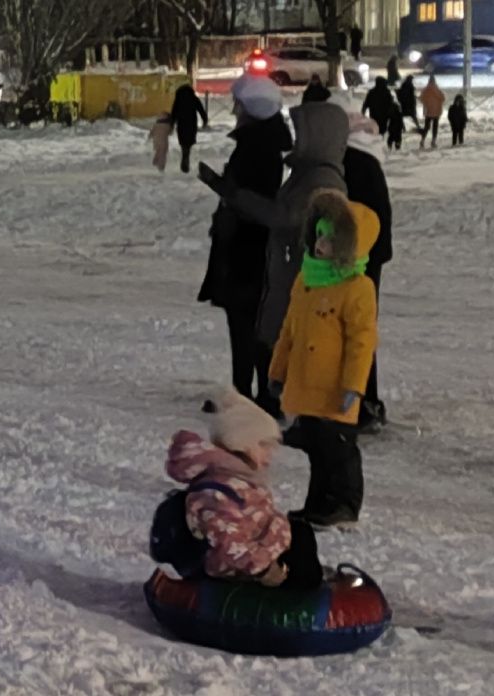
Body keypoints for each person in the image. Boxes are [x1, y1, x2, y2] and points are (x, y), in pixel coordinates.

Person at [199, 102, 349, 356]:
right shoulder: (308, 173)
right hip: (289, 270)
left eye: (303, 132)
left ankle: (266, 393)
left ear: (320, 135)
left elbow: (284, 216)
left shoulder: (321, 179)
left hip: (302, 273)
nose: (297, 138)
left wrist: (234, 194)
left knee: (284, 343)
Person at [269, 190, 379, 529]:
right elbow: (290, 330)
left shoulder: (357, 288)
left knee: (339, 451)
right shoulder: (307, 279)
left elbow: (362, 342)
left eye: (331, 241)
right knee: (318, 450)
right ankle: (317, 504)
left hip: (336, 389)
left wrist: (354, 386)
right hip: (308, 384)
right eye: (319, 236)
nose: (320, 245)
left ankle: (345, 506)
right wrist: (278, 370)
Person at [159, 388, 324, 589]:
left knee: (300, 532)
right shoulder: (217, 490)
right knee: (301, 537)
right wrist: (263, 569)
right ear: (242, 444)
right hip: (237, 568)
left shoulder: (242, 480)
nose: (270, 455)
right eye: (264, 446)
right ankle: (303, 595)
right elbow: (227, 542)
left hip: (258, 555)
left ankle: (310, 583)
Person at [198, 75, 291, 417]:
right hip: (248, 246)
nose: (235, 111)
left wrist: (227, 192)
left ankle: (252, 394)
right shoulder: (260, 145)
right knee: (249, 322)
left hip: (247, 249)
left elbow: (256, 203)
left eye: (238, 105)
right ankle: (253, 392)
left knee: (247, 323)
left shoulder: (256, 148)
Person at [341, 110, 393, 433]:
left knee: (355, 330)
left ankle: (362, 402)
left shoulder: (353, 162)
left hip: (357, 258)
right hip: (369, 256)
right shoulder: (368, 157)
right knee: (362, 329)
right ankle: (367, 400)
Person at [170, 84, 208, 174]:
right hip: (191, 124)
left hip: (181, 125)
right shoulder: (193, 98)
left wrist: (171, 124)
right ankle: (186, 156)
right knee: (189, 143)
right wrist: (205, 120)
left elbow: (174, 112)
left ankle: (185, 156)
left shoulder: (178, 100)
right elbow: (201, 109)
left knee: (183, 143)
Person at [420, 76, 445, 149]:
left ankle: (422, 140)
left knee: (426, 127)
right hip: (436, 111)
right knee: (435, 127)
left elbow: (421, 99)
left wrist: (427, 103)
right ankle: (433, 141)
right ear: (434, 81)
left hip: (428, 111)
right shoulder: (437, 89)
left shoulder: (425, 90)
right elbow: (443, 98)